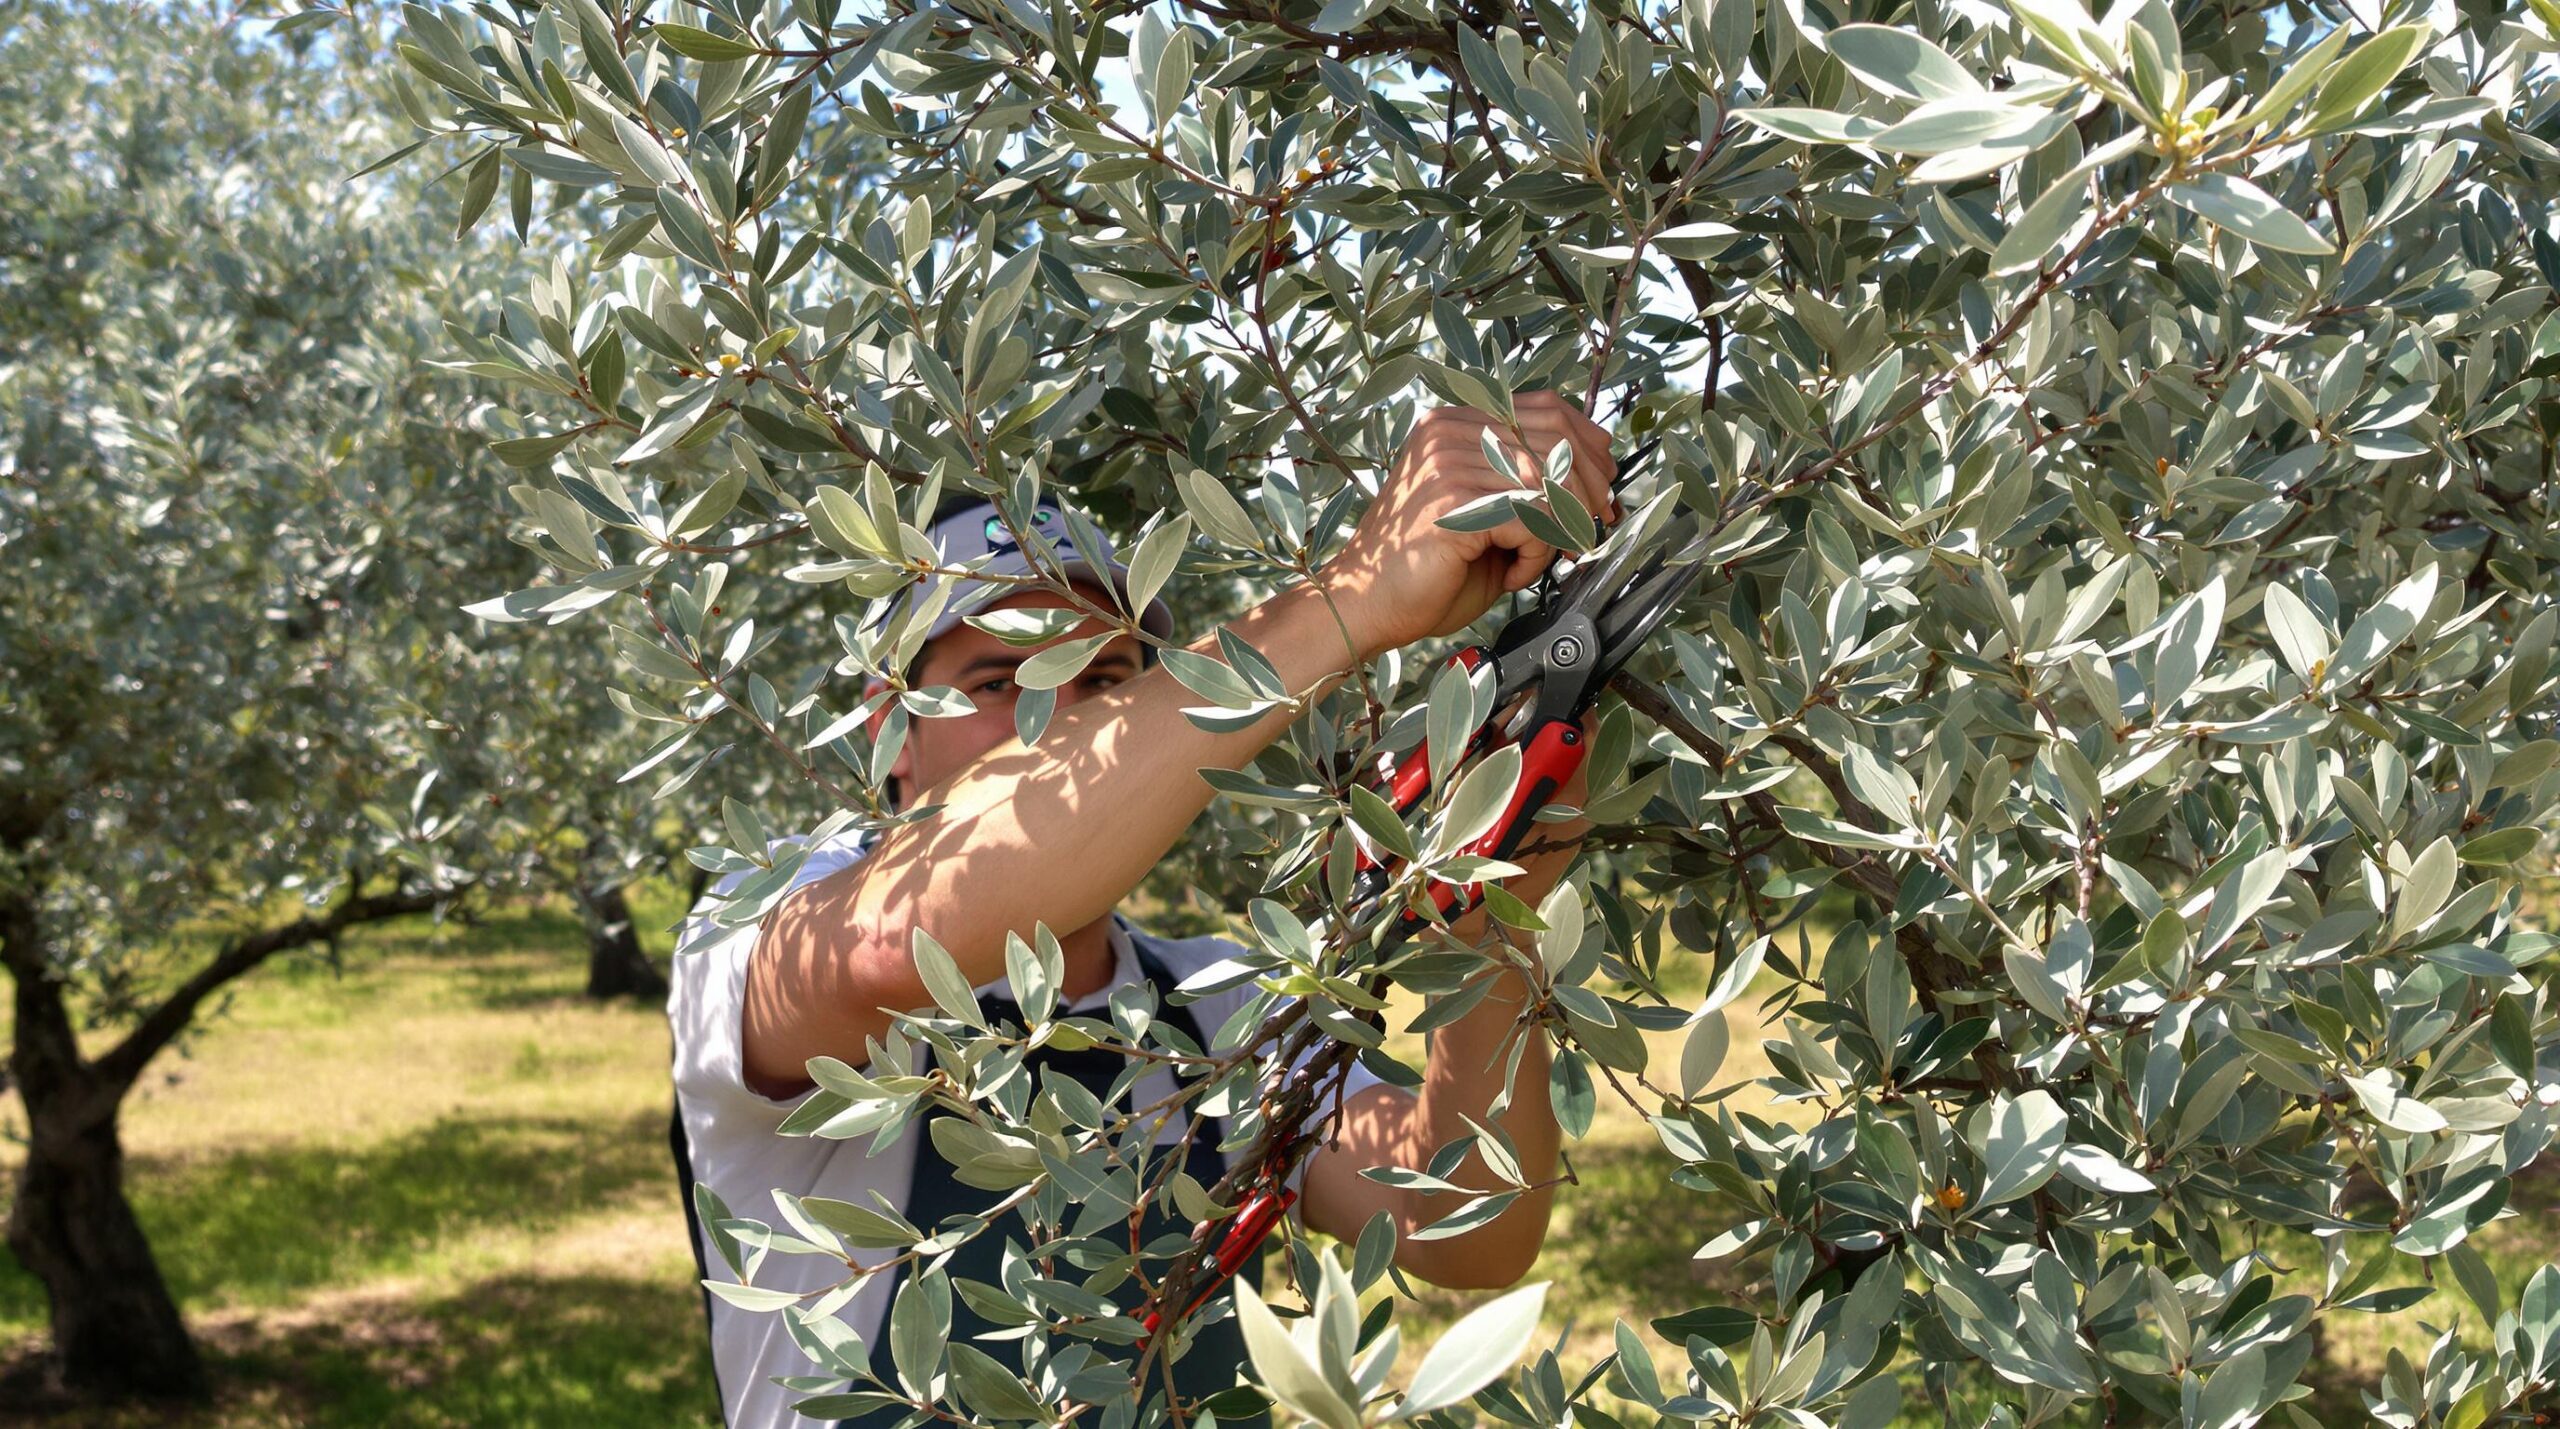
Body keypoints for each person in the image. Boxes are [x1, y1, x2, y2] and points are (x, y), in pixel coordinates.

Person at [670, 392, 1623, 1428]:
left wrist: (1487, 924)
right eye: (1006, 680)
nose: (1067, 724)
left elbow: (1460, 1231)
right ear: (889, 729)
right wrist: (1350, 596)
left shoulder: (1213, 1011)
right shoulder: (757, 924)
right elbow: (889, 946)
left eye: (1111, 677)